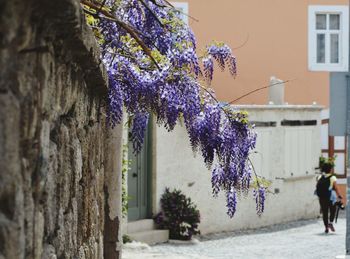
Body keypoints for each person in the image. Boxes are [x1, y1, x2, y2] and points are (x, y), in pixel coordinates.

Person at [316, 159, 342, 233]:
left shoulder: (320, 177)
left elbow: (317, 186)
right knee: (333, 210)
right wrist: (339, 195)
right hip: (331, 197)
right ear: (330, 169)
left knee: (325, 212)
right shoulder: (332, 178)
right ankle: (330, 223)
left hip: (322, 197)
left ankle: (326, 227)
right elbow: (336, 188)